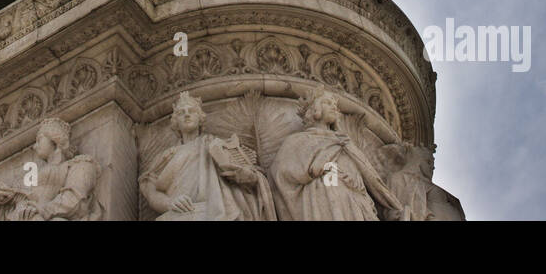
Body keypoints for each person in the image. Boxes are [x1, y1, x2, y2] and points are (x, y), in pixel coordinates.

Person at [138, 91, 276, 221]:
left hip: (215, 212)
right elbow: (150, 191)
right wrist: (169, 203)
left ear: (200, 118)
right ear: (175, 122)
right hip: (178, 215)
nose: (187, 115)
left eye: (191, 111)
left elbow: (252, 178)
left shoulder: (217, 145)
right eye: (181, 112)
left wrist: (235, 171)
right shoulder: (164, 157)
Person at [270, 87, 402, 220]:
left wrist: (394, 207)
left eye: (335, 105)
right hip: (325, 197)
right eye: (327, 103)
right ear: (315, 109)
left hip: (355, 201)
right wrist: (315, 170)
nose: (334, 107)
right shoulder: (297, 140)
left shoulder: (345, 142)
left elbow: (372, 179)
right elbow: (280, 173)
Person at [0, 117, 102, 221]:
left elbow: (74, 199)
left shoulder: (81, 165)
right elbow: (15, 196)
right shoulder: (32, 175)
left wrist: (39, 210)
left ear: (55, 140)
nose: (34, 146)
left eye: (39, 139)